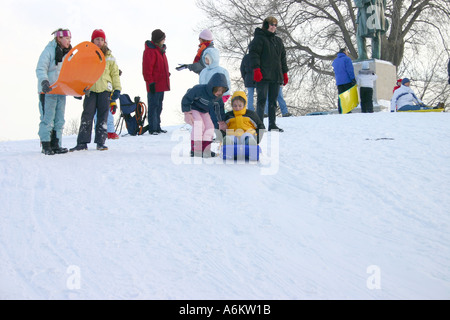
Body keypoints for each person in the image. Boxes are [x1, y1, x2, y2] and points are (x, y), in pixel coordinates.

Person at [70, 29, 121, 152]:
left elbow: (115, 74)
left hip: (105, 89)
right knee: (87, 115)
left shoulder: (110, 57)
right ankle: (82, 142)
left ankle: (100, 142)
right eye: (97, 39)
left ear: (105, 41)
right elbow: (81, 73)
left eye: (101, 40)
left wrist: (117, 89)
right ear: (92, 40)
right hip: (90, 90)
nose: (99, 42)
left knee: (103, 116)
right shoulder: (87, 56)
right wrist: (77, 89)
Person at [36, 28, 72, 155]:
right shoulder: (49, 51)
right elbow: (41, 68)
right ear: (59, 38)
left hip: (61, 91)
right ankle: (46, 144)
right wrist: (44, 82)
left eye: (70, 39)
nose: (69, 41)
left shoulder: (68, 54)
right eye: (67, 38)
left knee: (59, 119)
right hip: (48, 90)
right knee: (48, 118)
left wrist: (75, 89)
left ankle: (56, 144)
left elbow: (72, 73)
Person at [249, 16, 288, 132]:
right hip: (263, 75)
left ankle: (272, 124)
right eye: (271, 24)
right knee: (261, 100)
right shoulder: (259, 39)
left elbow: (283, 58)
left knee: (273, 101)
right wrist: (256, 70)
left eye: (275, 25)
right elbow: (254, 55)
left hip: (276, 75)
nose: (273, 27)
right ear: (266, 25)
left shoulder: (278, 41)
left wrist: (284, 73)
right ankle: (259, 125)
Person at [181, 73, 228, 158]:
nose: (219, 92)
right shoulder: (199, 89)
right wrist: (187, 113)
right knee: (199, 125)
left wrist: (221, 122)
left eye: (222, 90)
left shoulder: (218, 99)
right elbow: (186, 98)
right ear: (212, 86)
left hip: (204, 111)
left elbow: (219, 110)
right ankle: (195, 150)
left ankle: (206, 150)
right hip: (193, 108)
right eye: (218, 89)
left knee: (210, 127)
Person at [142, 29, 170, 135]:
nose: (164, 40)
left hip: (161, 83)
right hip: (154, 84)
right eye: (163, 38)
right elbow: (147, 69)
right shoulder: (150, 51)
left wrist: (167, 74)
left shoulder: (160, 51)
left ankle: (157, 127)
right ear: (158, 39)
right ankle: (153, 128)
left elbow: (159, 67)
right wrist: (150, 82)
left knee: (159, 106)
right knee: (153, 106)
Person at [199, 47, 231, 129]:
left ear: (214, 59)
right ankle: (210, 132)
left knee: (217, 115)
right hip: (206, 98)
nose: (206, 60)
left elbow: (226, 83)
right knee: (207, 116)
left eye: (208, 58)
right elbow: (201, 84)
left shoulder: (221, 70)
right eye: (205, 58)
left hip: (218, 97)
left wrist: (225, 95)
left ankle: (219, 131)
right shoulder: (203, 72)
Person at [332, 48, 356, 114]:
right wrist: (353, 79)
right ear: (344, 52)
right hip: (347, 80)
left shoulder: (335, 61)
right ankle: (347, 110)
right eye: (347, 51)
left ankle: (341, 110)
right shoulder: (347, 59)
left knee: (341, 96)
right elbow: (350, 70)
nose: (347, 53)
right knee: (347, 95)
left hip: (339, 81)